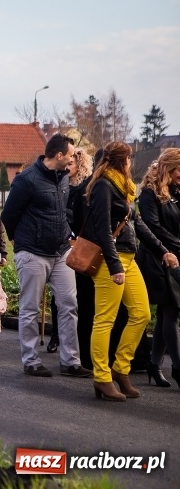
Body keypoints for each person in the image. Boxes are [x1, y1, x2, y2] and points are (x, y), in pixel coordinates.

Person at [84, 142, 176, 401]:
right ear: (122, 160)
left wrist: (162, 251)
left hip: (129, 256)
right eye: (129, 159)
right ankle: (102, 378)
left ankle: (120, 368)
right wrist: (114, 266)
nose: (131, 163)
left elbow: (138, 224)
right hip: (109, 260)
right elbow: (102, 229)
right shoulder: (103, 185)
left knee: (141, 313)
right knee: (105, 319)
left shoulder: (123, 186)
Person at [0, 134, 91, 378]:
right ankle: (31, 360)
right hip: (33, 252)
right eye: (71, 155)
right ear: (59, 155)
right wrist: (19, 240)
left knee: (69, 305)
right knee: (30, 308)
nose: (74, 159)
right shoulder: (26, 180)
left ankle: (70, 361)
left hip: (61, 251)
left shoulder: (63, 179)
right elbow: (8, 215)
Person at [138, 148, 180, 388]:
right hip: (157, 258)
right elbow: (152, 226)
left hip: (174, 256)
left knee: (168, 313)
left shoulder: (176, 192)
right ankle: (177, 367)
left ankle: (154, 364)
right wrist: (174, 245)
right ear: (168, 168)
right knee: (171, 310)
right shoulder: (148, 192)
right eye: (179, 170)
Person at [46, 149, 93, 355]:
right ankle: (56, 335)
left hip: (80, 243)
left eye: (72, 163)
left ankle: (75, 340)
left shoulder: (85, 188)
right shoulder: (60, 184)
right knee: (59, 295)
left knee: (76, 296)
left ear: (80, 165)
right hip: (63, 242)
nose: (67, 167)